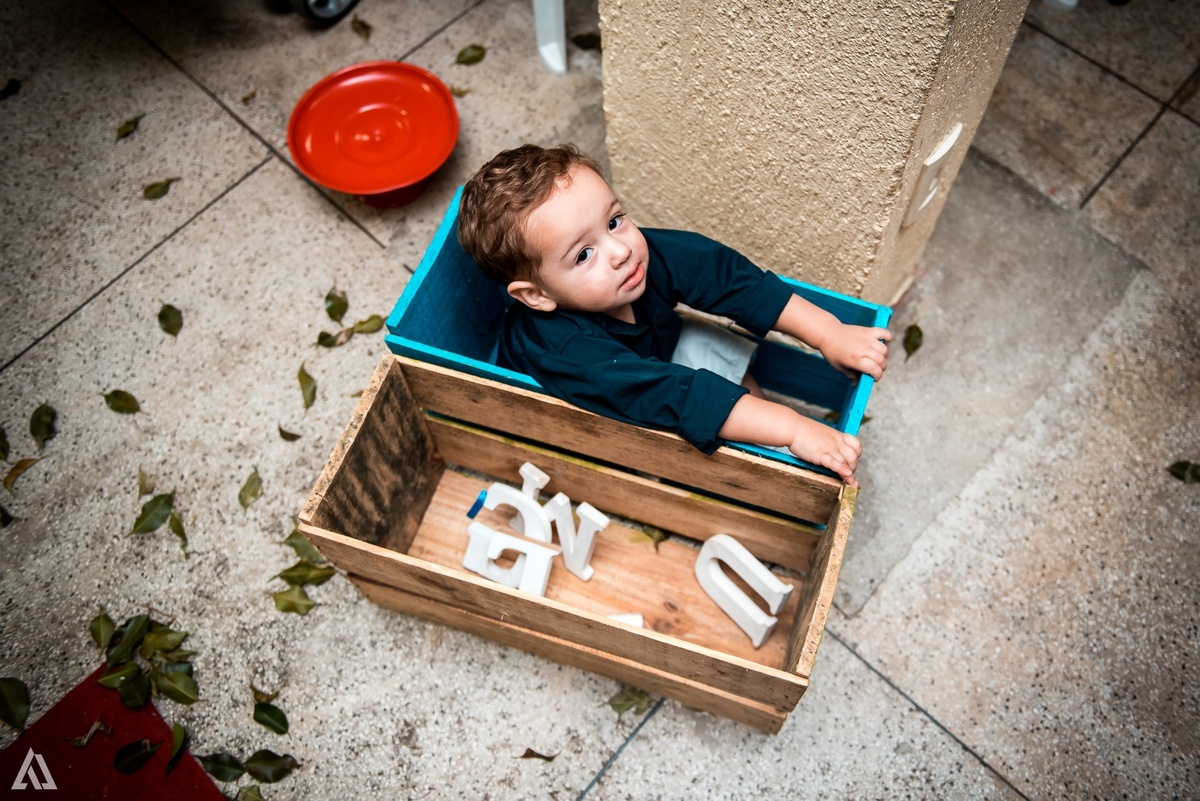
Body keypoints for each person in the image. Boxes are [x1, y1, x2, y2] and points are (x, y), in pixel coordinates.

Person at [457, 144, 890, 486]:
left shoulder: (635, 261)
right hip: (600, 403)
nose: (621, 250)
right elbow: (673, 393)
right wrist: (794, 427)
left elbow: (726, 277)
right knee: (677, 433)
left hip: (652, 356)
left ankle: (769, 439)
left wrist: (830, 333)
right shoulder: (568, 351)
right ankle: (768, 451)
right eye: (584, 254)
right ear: (536, 295)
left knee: (711, 348)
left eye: (614, 221)